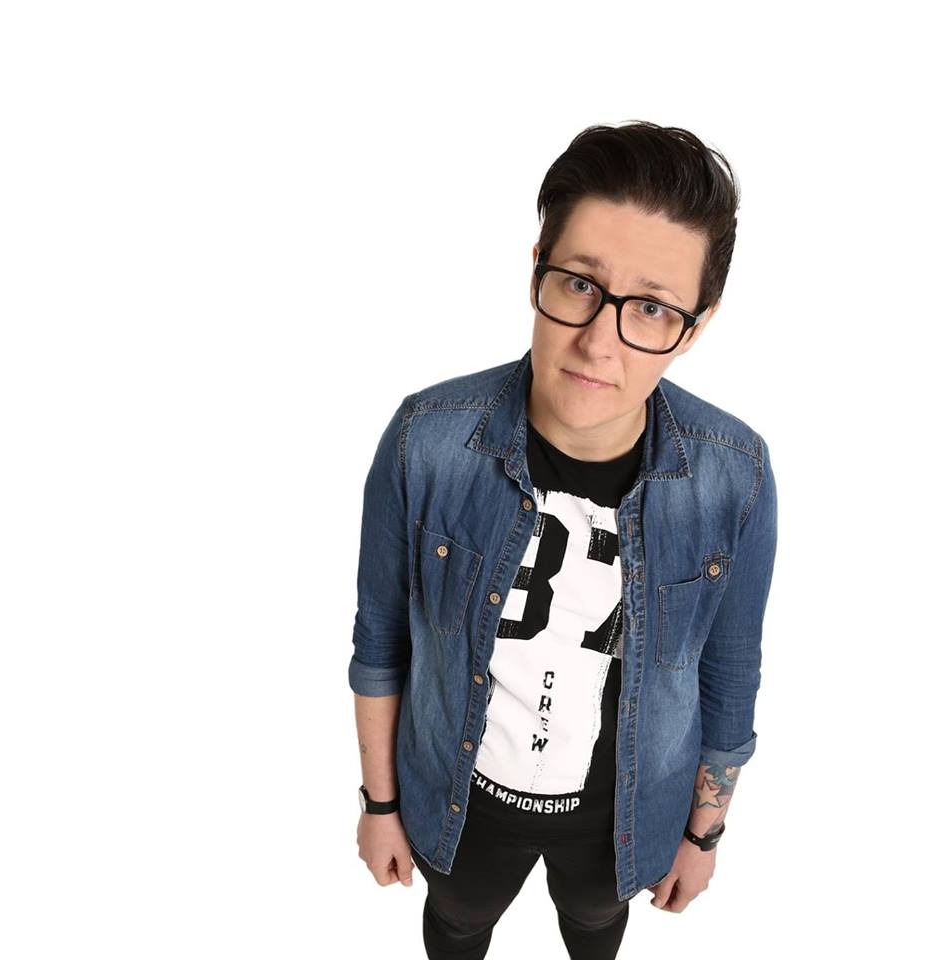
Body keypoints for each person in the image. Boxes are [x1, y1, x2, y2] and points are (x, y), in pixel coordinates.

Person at [348, 120, 779, 960]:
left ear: (694, 327)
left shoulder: (735, 475)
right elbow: (380, 642)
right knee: (458, 924)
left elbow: (731, 673)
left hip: (624, 819)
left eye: (650, 308)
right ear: (536, 268)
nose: (598, 342)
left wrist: (703, 835)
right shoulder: (427, 439)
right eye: (580, 284)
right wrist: (380, 805)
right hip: (458, 802)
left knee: (593, 926)